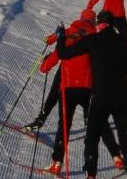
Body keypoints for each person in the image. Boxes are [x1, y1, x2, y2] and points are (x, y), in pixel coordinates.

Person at [55, 10, 127, 179]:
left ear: (99, 23)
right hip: (122, 99)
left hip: (100, 98)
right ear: (113, 24)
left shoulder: (93, 39)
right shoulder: (123, 41)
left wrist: (61, 35)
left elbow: (64, 54)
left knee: (91, 139)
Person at [27, 9, 121, 167]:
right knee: (100, 122)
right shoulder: (95, 36)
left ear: (80, 18)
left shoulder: (69, 31)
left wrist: (46, 59)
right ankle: (116, 155)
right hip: (88, 88)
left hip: (68, 85)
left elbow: (51, 54)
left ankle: (57, 162)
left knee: (63, 123)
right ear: (94, 22)